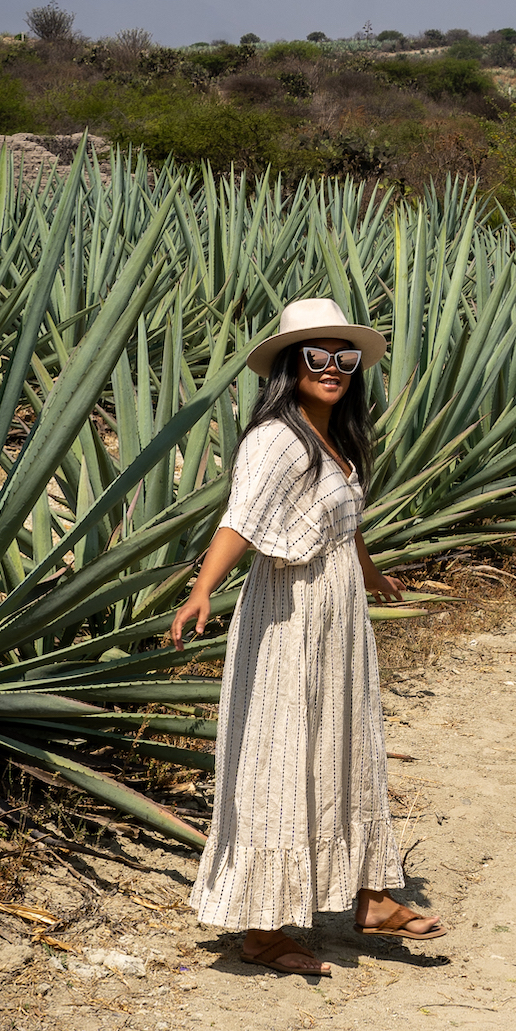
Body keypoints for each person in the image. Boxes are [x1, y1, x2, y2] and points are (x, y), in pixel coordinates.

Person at [172, 296, 445, 975]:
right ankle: (262, 933)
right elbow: (241, 519)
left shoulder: (336, 439)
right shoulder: (275, 439)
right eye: (316, 356)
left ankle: (371, 897)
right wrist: (203, 588)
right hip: (289, 617)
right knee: (283, 754)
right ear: (290, 364)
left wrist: (370, 572)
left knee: (343, 745)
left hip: (337, 613)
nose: (332, 368)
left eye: (344, 357)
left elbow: (343, 523)